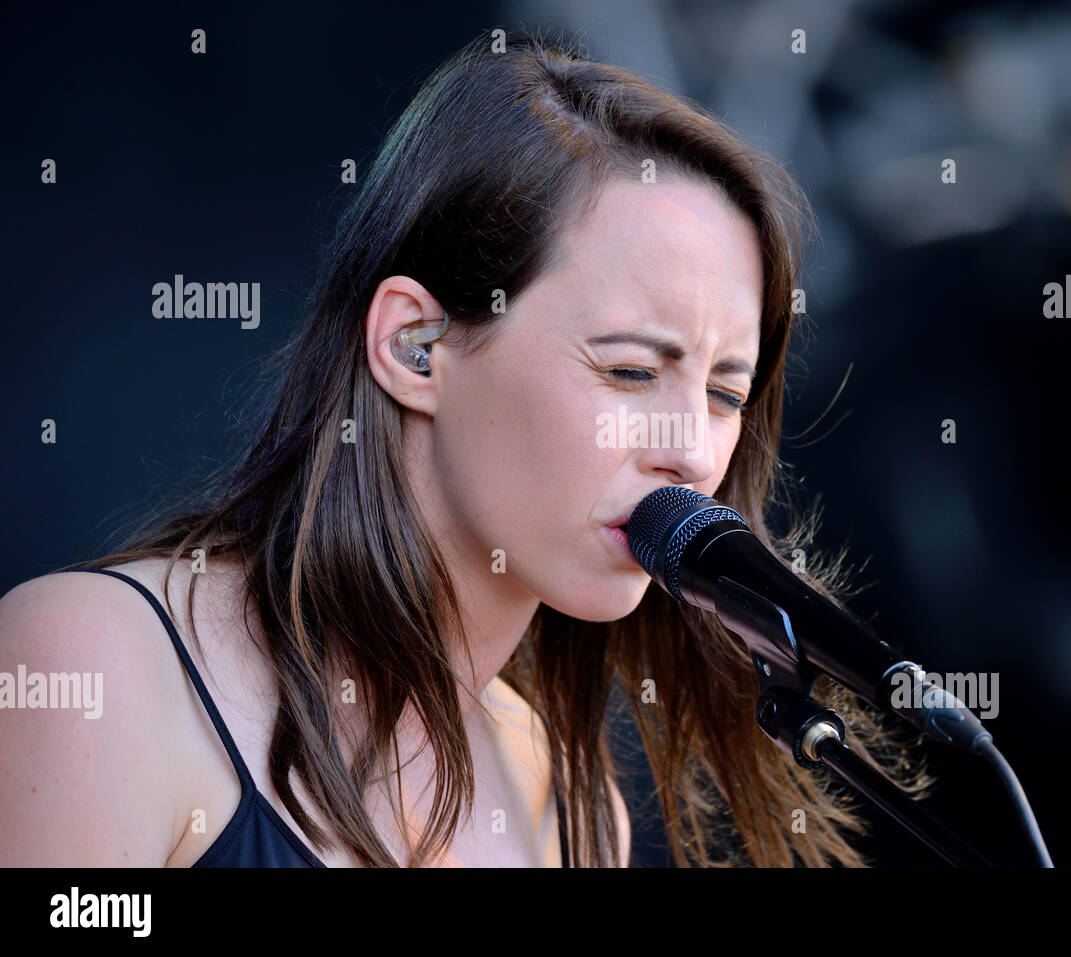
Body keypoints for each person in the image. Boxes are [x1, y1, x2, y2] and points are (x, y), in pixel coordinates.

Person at [0, 28, 930, 868]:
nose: (694, 454)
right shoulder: (93, 668)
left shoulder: (571, 811)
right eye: (633, 371)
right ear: (417, 345)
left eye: (727, 393)